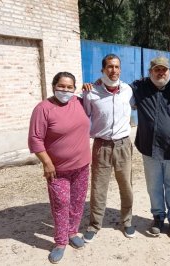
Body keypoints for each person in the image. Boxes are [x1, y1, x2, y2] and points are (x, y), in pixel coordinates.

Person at [28, 72, 91, 263]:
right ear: (54, 86)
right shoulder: (43, 108)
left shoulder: (79, 102)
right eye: (61, 86)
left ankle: (72, 232)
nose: (65, 90)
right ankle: (60, 242)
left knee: (78, 201)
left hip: (81, 165)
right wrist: (47, 163)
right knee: (61, 203)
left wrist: (89, 89)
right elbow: (35, 139)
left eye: (69, 87)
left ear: (74, 88)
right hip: (57, 169)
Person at [82, 54, 135, 243]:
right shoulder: (91, 93)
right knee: (98, 187)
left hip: (123, 145)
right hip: (101, 146)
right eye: (110, 67)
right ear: (103, 70)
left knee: (126, 186)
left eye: (117, 67)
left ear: (120, 69)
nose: (114, 70)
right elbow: (81, 116)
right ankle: (95, 225)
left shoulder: (128, 90)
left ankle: (127, 222)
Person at [130, 57, 170, 238]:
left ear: (169, 71)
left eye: (164, 70)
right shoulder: (139, 88)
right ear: (150, 71)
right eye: (157, 70)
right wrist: (99, 82)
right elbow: (117, 88)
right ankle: (158, 217)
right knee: (153, 186)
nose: (161, 73)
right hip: (149, 148)